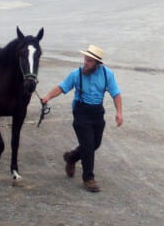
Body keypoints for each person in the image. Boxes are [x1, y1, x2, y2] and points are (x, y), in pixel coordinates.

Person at [39, 44, 123, 193]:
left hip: (97, 112)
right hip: (81, 112)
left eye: (90, 61)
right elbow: (62, 87)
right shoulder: (76, 74)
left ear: (97, 63)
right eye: (85, 59)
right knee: (88, 145)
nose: (85, 63)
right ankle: (88, 179)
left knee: (95, 144)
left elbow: (116, 93)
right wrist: (47, 97)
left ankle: (71, 157)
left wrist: (119, 113)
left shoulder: (107, 74)